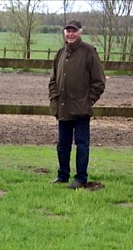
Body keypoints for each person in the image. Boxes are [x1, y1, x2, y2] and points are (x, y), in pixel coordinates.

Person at [48, 20, 106, 189]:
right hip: (63, 108)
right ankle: (62, 175)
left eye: (74, 31)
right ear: (64, 33)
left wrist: (88, 100)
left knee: (82, 145)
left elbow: (99, 82)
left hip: (81, 110)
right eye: (68, 31)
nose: (70, 34)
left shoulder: (89, 52)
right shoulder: (60, 53)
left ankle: (81, 178)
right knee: (62, 145)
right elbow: (52, 80)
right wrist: (54, 98)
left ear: (80, 32)